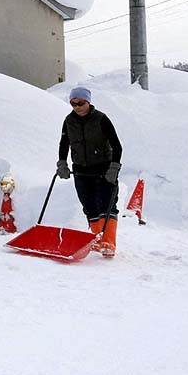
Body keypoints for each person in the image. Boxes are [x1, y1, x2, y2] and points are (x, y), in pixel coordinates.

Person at [56, 86, 123, 257]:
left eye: (81, 103)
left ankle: (108, 242)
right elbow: (64, 144)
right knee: (89, 205)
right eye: (73, 104)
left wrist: (114, 167)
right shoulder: (68, 121)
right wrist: (62, 163)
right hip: (81, 169)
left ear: (88, 101)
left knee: (107, 204)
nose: (77, 107)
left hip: (103, 168)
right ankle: (97, 240)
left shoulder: (101, 119)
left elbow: (117, 145)